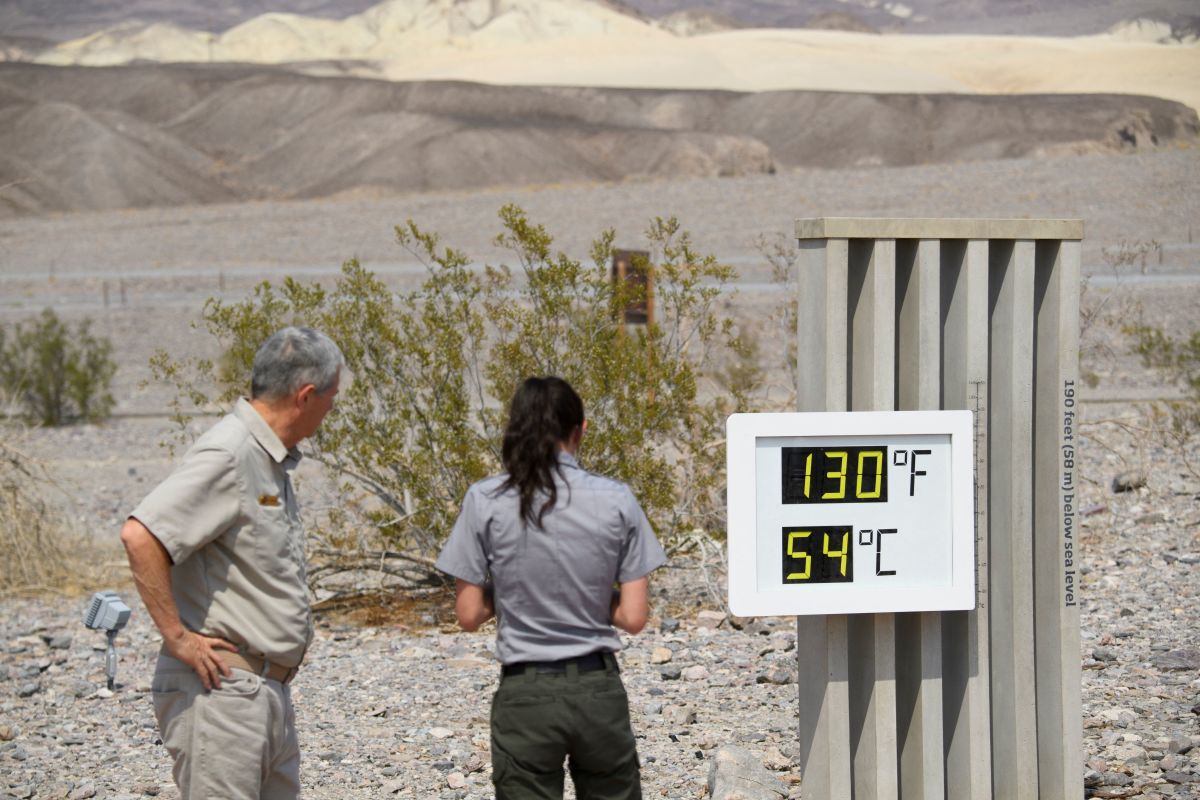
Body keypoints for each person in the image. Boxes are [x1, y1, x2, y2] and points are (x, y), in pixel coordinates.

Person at [120, 326, 343, 799]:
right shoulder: (230, 453)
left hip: (264, 693)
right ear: (306, 396)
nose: (331, 410)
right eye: (331, 398)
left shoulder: (268, 460)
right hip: (222, 696)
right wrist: (177, 638)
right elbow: (141, 535)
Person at [436, 375, 667, 800]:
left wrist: (511, 586)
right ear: (580, 430)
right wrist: (591, 591)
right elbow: (633, 618)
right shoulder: (616, 498)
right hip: (598, 691)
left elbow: (468, 616)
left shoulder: (484, 498)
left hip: (526, 693)